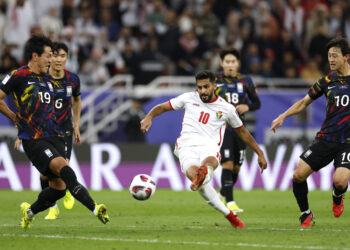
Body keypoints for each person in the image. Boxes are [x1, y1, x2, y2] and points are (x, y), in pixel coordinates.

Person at [0, 35, 109, 229]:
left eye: (55, 56)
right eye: (48, 56)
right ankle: (95, 207)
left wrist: (73, 125)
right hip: (33, 140)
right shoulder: (19, 75)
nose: (51, 60)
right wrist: (13, 117)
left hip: (54, 136)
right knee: (63, 168)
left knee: (59, 188)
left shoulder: (48, 79)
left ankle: (29, 212)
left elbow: (59, 105)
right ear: (35, 56)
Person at [140, 70, 267, 228]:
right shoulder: (188, 98)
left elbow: (242, 131)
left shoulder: (226, 108)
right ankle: (228, 212)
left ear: (215, 86)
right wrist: (149, 117)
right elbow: (164, 107)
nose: (202, 91)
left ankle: (204, 174)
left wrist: (259, 153)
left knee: (210, 161)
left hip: (209, 146)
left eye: (206, 87)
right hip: (186, 145)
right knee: (195, 177)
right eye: (199, 87)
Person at [270, 37, 350, 227]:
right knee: (298, 176)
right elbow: (304, 102)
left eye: (335, 56)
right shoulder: (327, 80)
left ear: (346, 57)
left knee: (339, 181)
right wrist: (283, 115)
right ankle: (306, 213)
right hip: (325, 138)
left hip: (347, 141)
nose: (330, 59)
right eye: (329, 56)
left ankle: (338, 195)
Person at [14, 42, 82, 220]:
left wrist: (76, 125)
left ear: (67, 58)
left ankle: (65, 190)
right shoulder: (42, 79)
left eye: (62, 56)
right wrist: (22, 133)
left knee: (62, 167)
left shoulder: (73, 79)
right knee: (45, 174)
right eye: (55, 55)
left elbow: (77, 101)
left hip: (64, 130)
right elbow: (31, 109)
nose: (58, 60)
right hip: (44, 132)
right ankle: (53, 204)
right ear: (49, 58)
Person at [215, 48, 261, 212]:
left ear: (238, 63)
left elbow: (257, 103)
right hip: (222, 128)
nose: (230, 65)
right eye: (227, 62)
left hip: (240, 129)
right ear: (222, 63)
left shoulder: (246, 81)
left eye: (233, 62)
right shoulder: (215, 80)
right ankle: (230, 202)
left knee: (236, 167)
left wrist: (247, 106)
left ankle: (222, 192)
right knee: (227, 163)